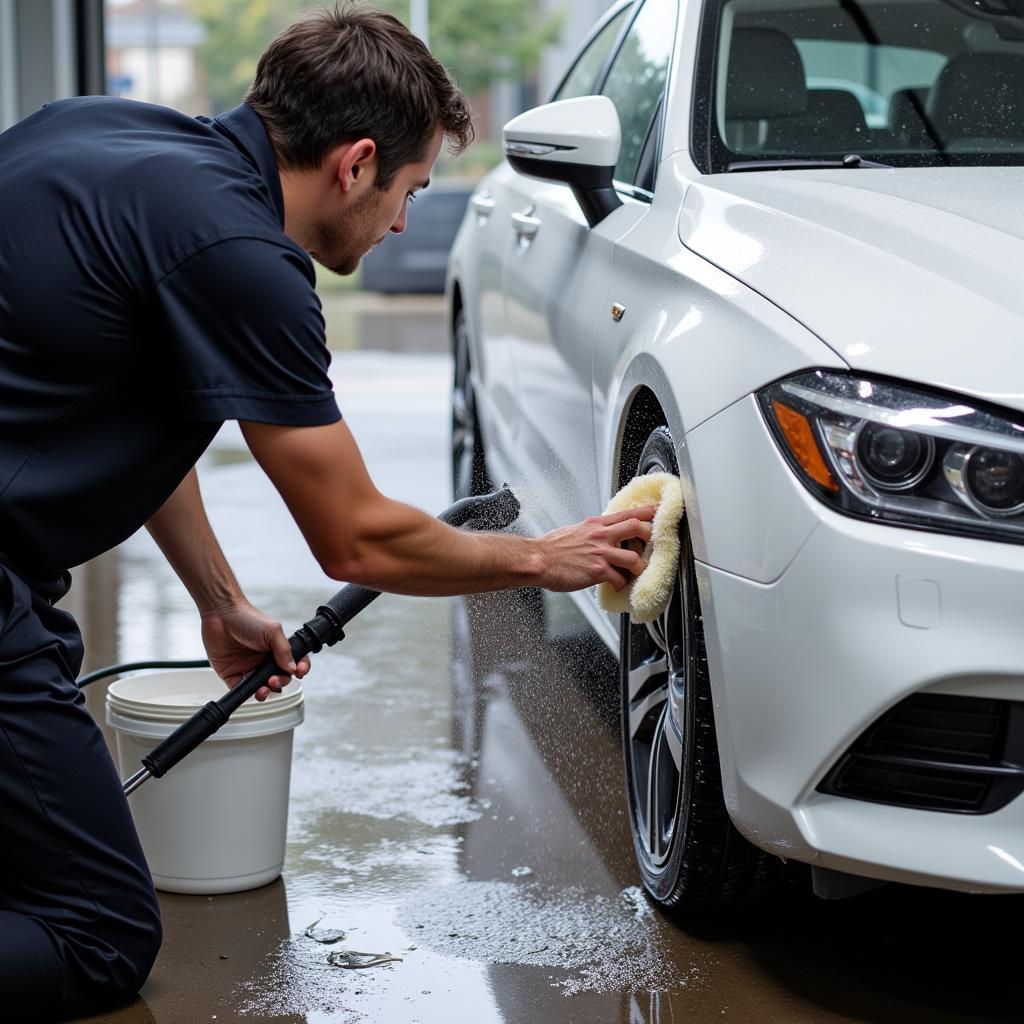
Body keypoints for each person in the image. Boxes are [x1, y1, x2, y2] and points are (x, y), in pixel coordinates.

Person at [0, 3, 655, 1018]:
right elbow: (354, 531)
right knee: (98, 933)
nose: (401, 221)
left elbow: (136, 399)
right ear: (354, 164)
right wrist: (542, 558)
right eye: (408, 189)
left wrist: (218, 601)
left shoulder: (97, 135)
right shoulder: (245, 258)